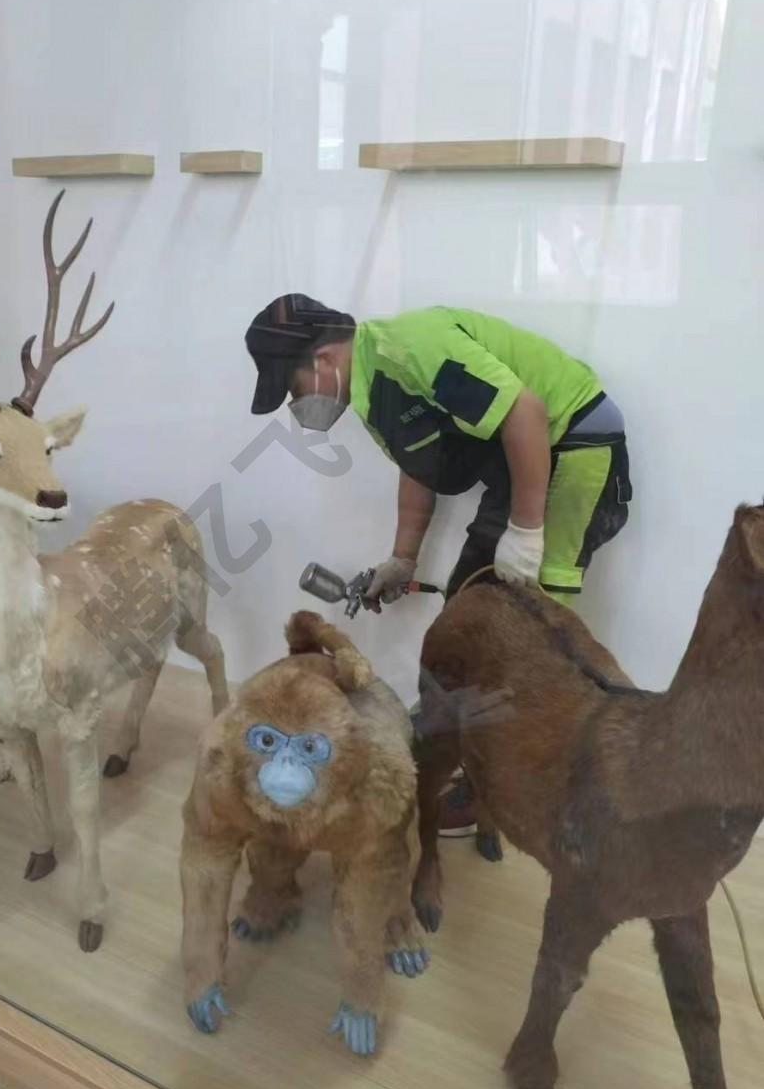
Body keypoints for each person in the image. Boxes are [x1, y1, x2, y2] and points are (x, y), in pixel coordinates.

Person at [245, 293, 632, 840]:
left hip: (573, 441)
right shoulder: (370, 388)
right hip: (521, 458)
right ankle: (462, 760)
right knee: (464, 619)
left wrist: (526, 534)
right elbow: (419, 469)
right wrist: (402, 559)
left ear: (323, 360)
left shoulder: (413, 350)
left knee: (533, 636)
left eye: (292, 389)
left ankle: (516, 791)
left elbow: (525, 411)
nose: (296, 404)